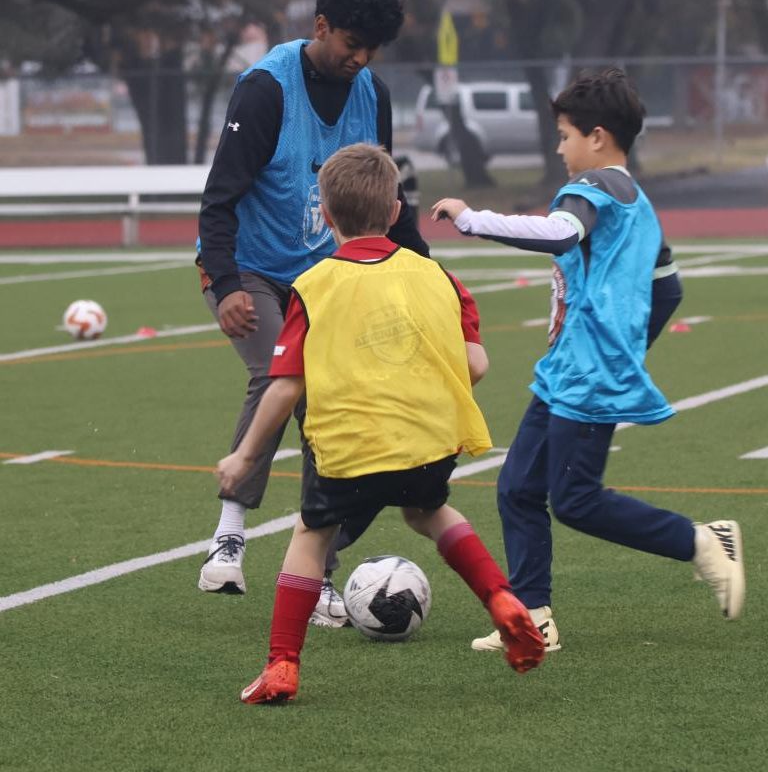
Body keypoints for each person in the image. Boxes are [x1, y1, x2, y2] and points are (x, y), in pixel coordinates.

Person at [215, 144, 545, 705]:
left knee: (310, 536)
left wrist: (244, 456)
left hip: (349, 448)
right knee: (429, 511)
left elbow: (287, 385)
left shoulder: (313, 286)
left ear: (323, 214)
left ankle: (282, 666)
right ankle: (502, 599)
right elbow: (476, 365)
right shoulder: (436, 276)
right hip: (428, 442)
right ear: (395, 211)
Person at [430, 68, 744, 653]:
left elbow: (559, 234)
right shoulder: (639, 204)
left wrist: (473, 220)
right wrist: (622, 347)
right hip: (572, 369)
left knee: (575, 500)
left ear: (597, 137)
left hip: (587, 373)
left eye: (565, 134)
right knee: (518, 487)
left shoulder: (593, 188)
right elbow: (668, 289)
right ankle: (532, 614)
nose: (559, 147)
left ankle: (701, 542)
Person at [195, 0, 423, 626]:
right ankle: (230, 533)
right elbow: (219, 199)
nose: (360, 59)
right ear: (319, 27)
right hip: (250, 269)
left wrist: (428, 274)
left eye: (371, 50)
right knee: (281, 377)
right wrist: (227, 281)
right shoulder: (266, 89)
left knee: (333, 407)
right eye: (352, 43)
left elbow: (382, 198)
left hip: (324, 282)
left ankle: (317, 572)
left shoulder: (369, 93)